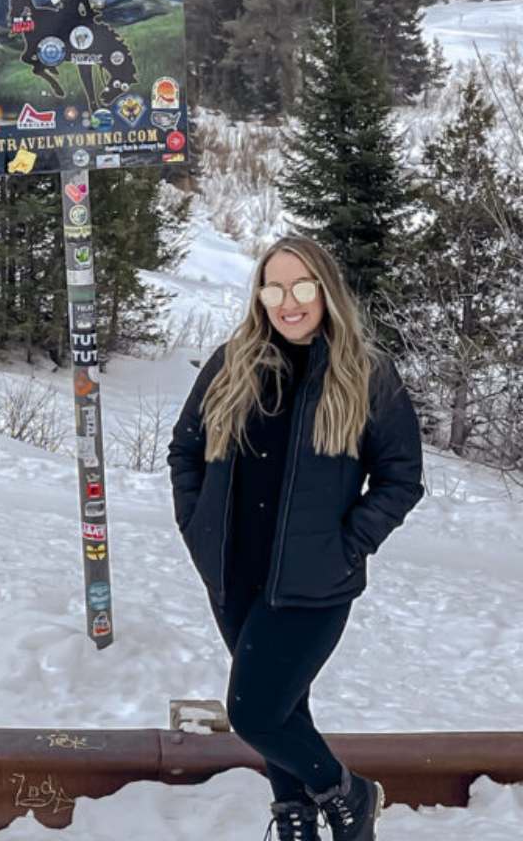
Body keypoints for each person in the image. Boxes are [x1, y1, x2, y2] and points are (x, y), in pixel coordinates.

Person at [167, 235, 424, 841]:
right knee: (285, 705)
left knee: (253, 711)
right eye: (275, 287)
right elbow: (187, 449)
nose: (289, 301)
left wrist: (347, 544)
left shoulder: (367, 373)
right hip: (233, 574)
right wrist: (196, 526)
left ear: (326, 291)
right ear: (260, 294)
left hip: (315, 583)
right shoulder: (234, 360)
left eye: (302, 286)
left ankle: (347, 793)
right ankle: (294, 818)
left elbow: (400, 478)